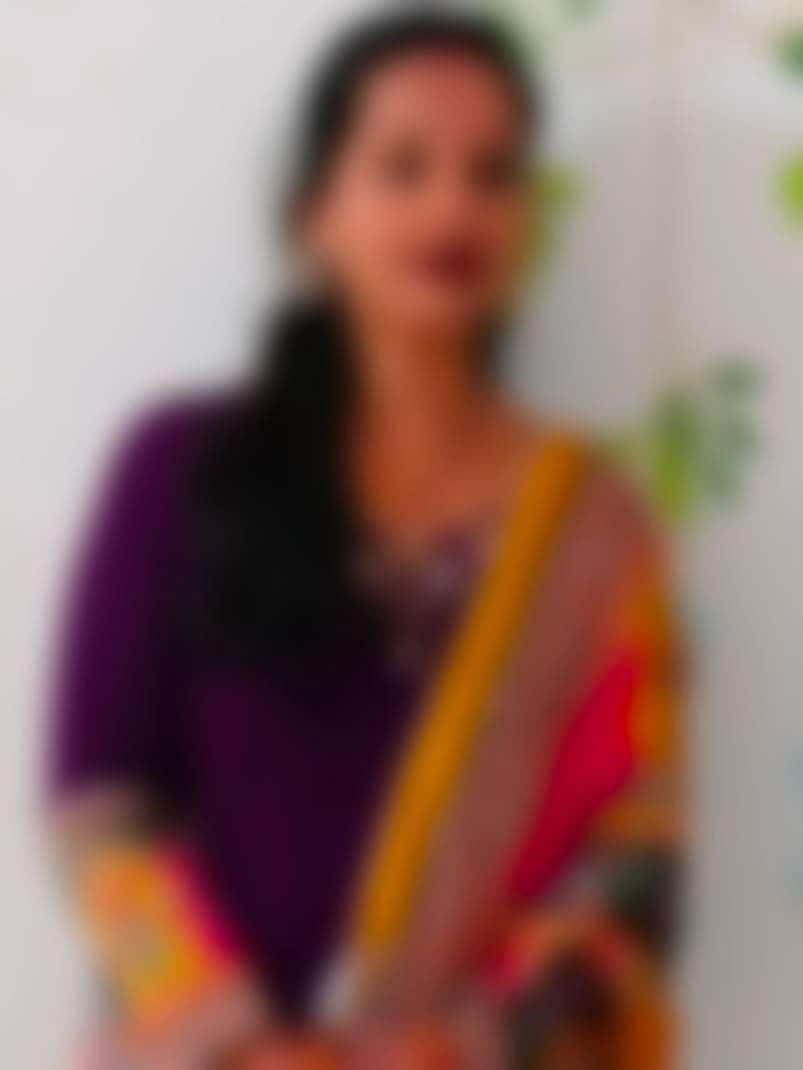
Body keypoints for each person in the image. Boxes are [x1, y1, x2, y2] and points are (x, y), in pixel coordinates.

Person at [46, 10, 683, 1069]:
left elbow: (634, 863)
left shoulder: (594, 531)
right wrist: (238, 1042)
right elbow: (104, 800)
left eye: (491, 174)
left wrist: (468, 1044)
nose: (453, 206)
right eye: (403, 166)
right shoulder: (183, 469)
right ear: (315, 215)